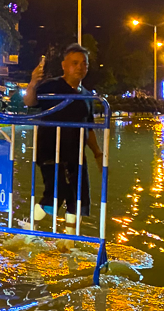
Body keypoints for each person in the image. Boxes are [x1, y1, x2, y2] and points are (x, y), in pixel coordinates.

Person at [23, 44, 104, 235]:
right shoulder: (52, 86)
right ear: (64, 65)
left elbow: (89, 127)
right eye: (74, 63)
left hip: (76, 154)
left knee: (79, 197)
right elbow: (30, 102)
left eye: (84, 64)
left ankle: (68, 241)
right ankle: (29, 228)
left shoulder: (87, 95)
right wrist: (33, 82)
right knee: (55, 194)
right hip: (51, 152)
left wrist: (97, 153)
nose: (80, 67)